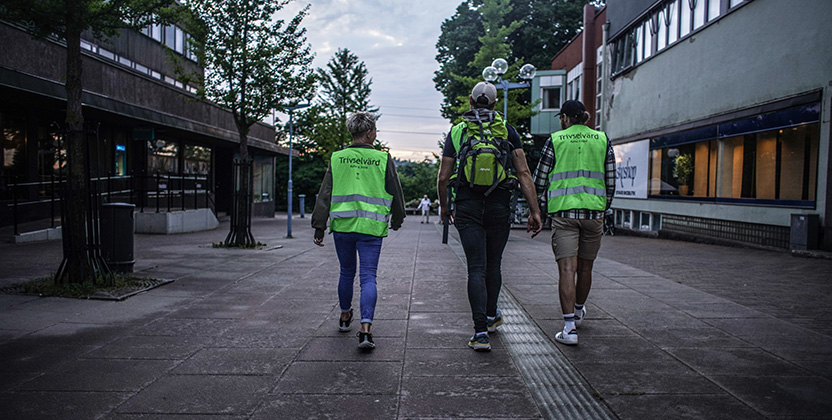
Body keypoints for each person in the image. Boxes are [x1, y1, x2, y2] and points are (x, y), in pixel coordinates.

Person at [437, 81, 542, 352]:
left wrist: (444, 206)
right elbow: (523, 173)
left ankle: (480, 332)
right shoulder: (507, 130)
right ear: (495, 105)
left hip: (468, 204)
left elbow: (444, 176)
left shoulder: (458, 130)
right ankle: (493, 314)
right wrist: (535, 210)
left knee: (476, 268)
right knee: (494, 264)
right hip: (499, 204)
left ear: (470, 102)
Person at [311, 111, 406, 350]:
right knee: (368, 277)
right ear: (370, 132)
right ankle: (365, 329)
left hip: (343, 226)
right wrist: (398, 218)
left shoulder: (338, 158)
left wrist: (319, 226)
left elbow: (325, 194)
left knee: (346, 272)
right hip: (371, 227)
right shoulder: (383, 159)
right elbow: (395, 190)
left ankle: (345, 316)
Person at [532, 100, 616, 346]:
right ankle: (579, 310)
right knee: (586, 268)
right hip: (594, 213)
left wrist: (536, 208)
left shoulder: (555, 140)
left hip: (564, 213)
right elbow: (610, 179)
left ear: (566, 117)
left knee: (567, 269)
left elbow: (539, 179)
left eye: (562, 117)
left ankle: (569, 328)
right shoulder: (602, 139)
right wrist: (603, 205)